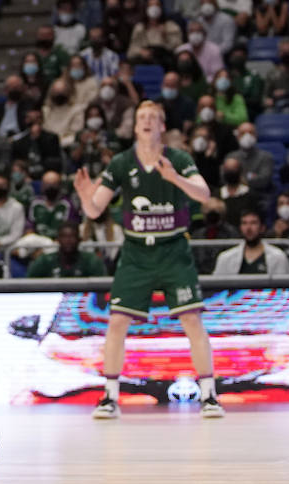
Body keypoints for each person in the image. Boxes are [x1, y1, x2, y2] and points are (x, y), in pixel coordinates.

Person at [73, 100, 224, 419]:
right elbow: (95, 210)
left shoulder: (178, 159)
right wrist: (86, 195)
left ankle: (209, 395)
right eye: (141, 116)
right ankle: (109, 397)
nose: (147, 121)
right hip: (136, 253)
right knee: (116, 322)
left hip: (173, 251)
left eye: (153, 117)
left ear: (162, 126)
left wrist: (175, 180)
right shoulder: (121, 162)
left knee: (192, 320)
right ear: (135, 125)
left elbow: (204, 194)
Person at [212, 212, 289, 276]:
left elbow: (284, 290)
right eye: (244, 223)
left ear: (262, 228)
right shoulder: (225, 258)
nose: (248, 228)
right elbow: (217, 291)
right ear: (240, 228)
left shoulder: (278, 257)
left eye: (253, 223)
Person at [27, 223, 106, 278]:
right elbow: (29, 285)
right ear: (57, 239)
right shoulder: (44, 261)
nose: (68, 241)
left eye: (72, 236)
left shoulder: (91, 261)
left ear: (79, 239)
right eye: (64, 236)